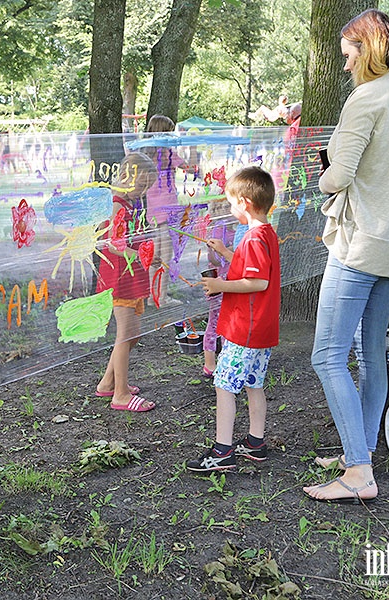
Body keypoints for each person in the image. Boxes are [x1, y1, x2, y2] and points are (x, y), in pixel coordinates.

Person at [303, 9, 389, 504]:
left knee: (326, 356)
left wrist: (321, 179)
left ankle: (358, 472)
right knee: (368, 354)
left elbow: (338, 176)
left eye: (348, 55)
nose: (344, 66)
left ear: (369, 49)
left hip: (359, 246)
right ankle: (359, 451)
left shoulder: (368, 98)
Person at [186, 166, 280, 472]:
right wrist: (226, 251)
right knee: (254, 384)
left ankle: (223, 451)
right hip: (260, 329)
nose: (229, 208)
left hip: (245, 329)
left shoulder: (253, 239)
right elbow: (249, 268)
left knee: (224, 385)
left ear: (245, 203)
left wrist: (219, 285)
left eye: (231, 203)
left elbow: (257, 283)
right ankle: (256, 443)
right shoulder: (264, 233)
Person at [95, 152, 159, 412]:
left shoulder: (130, 203)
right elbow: (114, 244)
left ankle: (108, 382)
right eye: (141, 185)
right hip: (120, 275)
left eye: (146, 188)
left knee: (132, 335)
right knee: (126, 334)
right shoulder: (117, 203)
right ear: (127, 176)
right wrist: (144, 257)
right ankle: (120, 394)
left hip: (130, 274)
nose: (142, 191)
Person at [143, 114, 196, 306]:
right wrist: (193, 147)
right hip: (166, 210)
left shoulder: (144, 153)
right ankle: (162, 297)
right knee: (165, 256)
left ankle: (152, 296)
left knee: (155, 256)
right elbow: (192, 169)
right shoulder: (168, 153)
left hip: (152, 211)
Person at [201, 196, 234, 378]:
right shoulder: (219, 228)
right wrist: (224, 250)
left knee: (226, 322)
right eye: (225, 207)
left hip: (228, 282)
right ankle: (210, 364)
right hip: (218, 282)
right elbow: (213, 259)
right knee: (215, 323)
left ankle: (223, 361)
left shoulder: (230, 228)